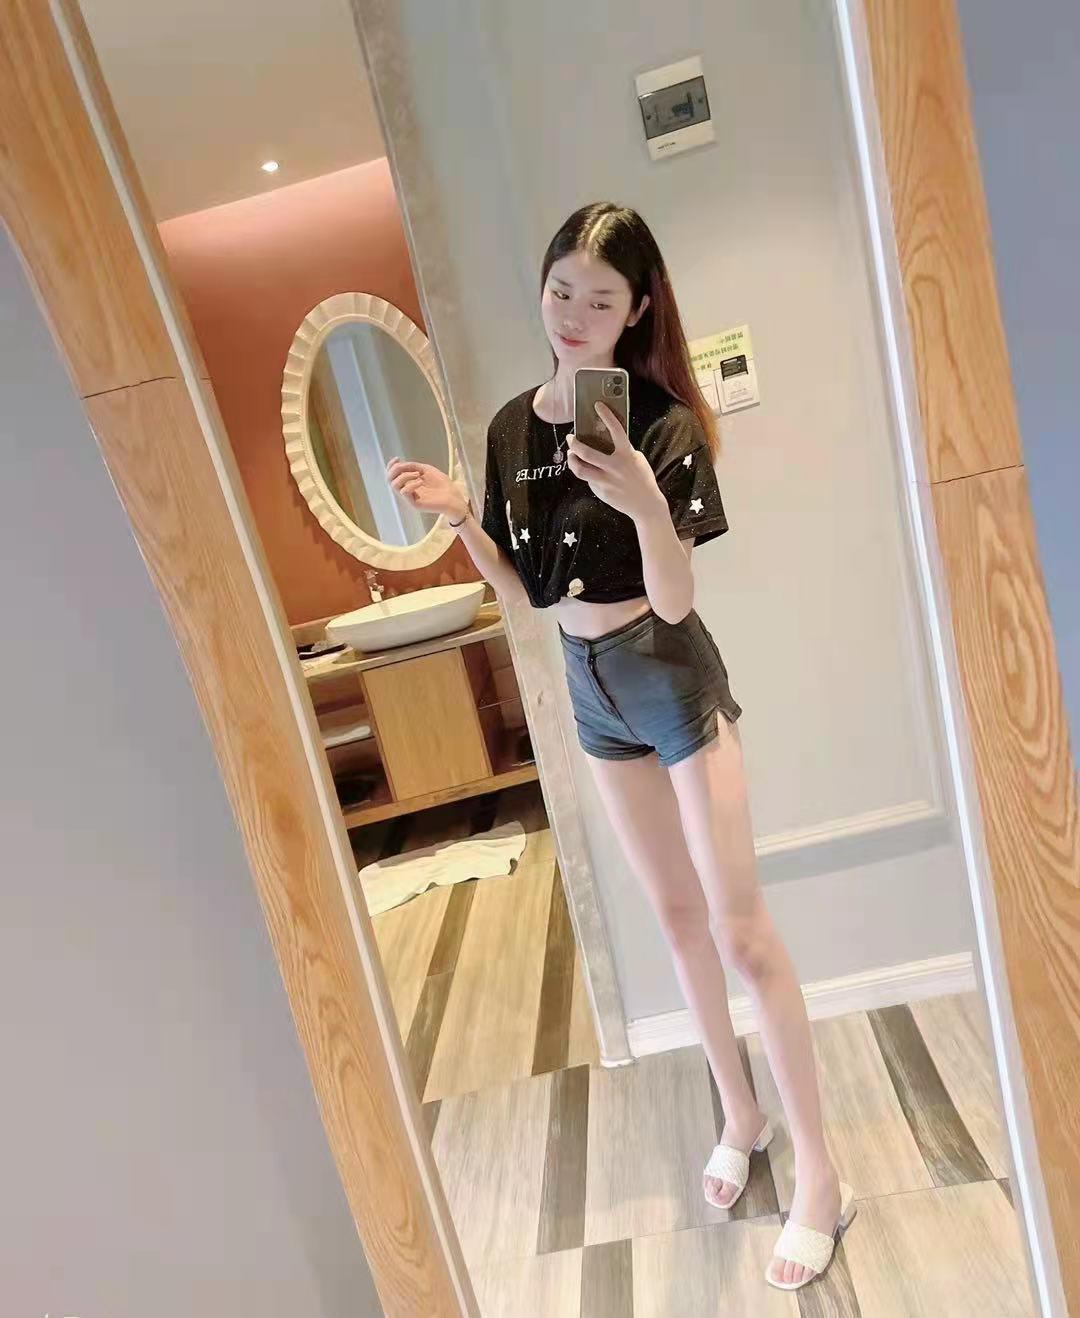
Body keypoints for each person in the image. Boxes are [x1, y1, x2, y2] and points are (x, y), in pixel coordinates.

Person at [386, 202, 855, 1292]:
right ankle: (740, 1114)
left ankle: (823, 1176)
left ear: (638, 310)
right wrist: (461, 517)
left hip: (668, 671)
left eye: (601, 300)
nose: (574, 316)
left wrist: (644, 501)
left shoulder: (665, 427)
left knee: (741, 931)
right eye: (562, 291)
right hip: (586, 681)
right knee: (677, 921)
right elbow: (524, 595)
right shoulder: (512, 430)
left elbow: (677, 599)